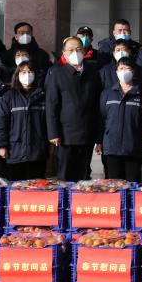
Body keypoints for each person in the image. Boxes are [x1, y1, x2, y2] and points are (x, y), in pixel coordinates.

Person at [46, 37, 102, 181]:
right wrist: (53, 133)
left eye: (78, 49)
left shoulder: (93, 73)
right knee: (65, 176)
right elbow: (52, 106)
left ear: (84, 51)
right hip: (65, 135)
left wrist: (98, 136)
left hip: (87, 133)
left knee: (83, 175)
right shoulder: (57, 74)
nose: (75, 53)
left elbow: (98, 105)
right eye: (70, 50)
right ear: (64, 54)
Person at [98, 57, 142, 182]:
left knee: (133, 183)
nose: (124, 71)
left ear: (133, 71)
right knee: (113, 184)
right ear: (116, 71)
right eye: (121, 68)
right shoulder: (107, 93)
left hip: (133, 146)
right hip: (111, 147)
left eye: (127, 68)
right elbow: (101, 118)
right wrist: (99, 141)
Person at [0, 61, 50, 181]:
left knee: (37, 187)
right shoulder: (9, 97)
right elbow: (1, 124)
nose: (27, 75)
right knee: (16, 187)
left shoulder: (43, 96)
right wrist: (1, 145)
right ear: (17, 75)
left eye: (30, 72)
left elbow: (48, 123)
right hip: (15, 151)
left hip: (37, 151)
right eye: (23, 72)